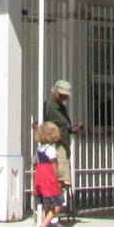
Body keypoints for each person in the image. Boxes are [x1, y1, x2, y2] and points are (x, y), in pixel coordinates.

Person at [42, 78, 82, 219]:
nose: (64, 97)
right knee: (56, 181)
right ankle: (50, 217)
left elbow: (64, 127)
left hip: (63, 147)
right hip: (55, 148)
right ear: (55, 91)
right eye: (61, 94)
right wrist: (50, 135)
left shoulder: (62, 108)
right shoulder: (48, 106)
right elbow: (39, 125)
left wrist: (72, 130)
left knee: (61, 182)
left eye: (66, 95)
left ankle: (52, 215)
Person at [32, 122, 63, 227]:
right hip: (48, 177)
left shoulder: (39, 148)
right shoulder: (51, 149)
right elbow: (54, 166)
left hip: (40, 177)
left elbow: (35, 163)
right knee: (57, 204)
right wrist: (57, 179)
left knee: (46, 204)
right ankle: (43, 226)